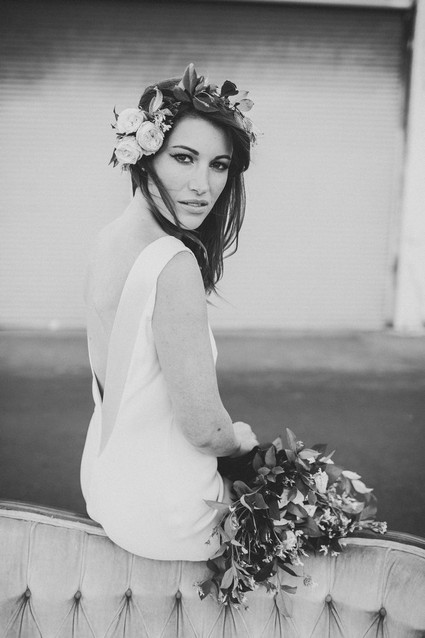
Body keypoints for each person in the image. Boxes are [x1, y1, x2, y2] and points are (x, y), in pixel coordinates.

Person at [80, 64, 259, 561]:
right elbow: (205, 430)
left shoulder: (108, 240)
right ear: (143, 154)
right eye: (184, 158)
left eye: (219, 165)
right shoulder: (172, 264)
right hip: (171, 512)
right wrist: (240, 441)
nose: (203, 185)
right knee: (298, 512)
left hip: (107, 487)